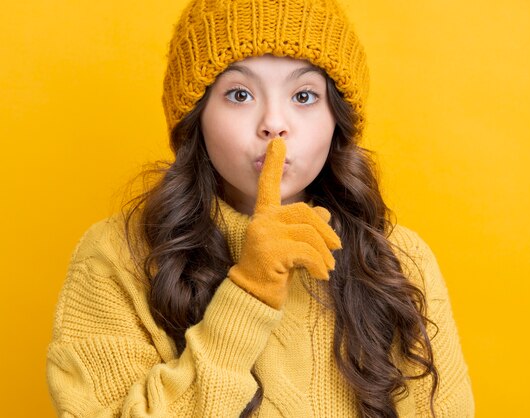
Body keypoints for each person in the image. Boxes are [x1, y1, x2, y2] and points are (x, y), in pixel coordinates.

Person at [46, 0, 474, 416]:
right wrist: (249, 291)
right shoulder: (116, 257)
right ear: (196, 116)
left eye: (304, 96)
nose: (274, 122)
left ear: (336, 119)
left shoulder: (400, 259)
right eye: (239, 93)